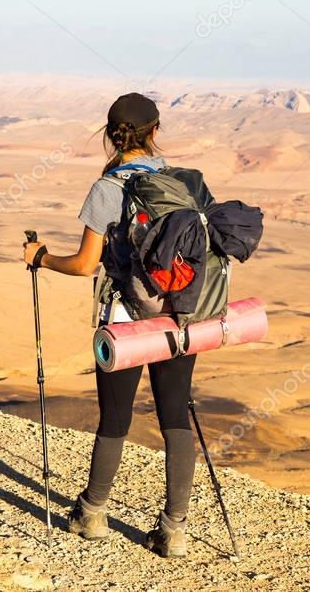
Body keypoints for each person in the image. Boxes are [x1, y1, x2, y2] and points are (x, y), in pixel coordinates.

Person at [22, 92, 198, 558]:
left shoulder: (107, 189)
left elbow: (84, 265)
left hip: (125, 321)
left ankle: (93, 513)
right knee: (175, 418)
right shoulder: (183, 184)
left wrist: (41, 257)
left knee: (116, 417)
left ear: (110, 134)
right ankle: (174, 530)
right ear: (155, 132)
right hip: (182, 316)